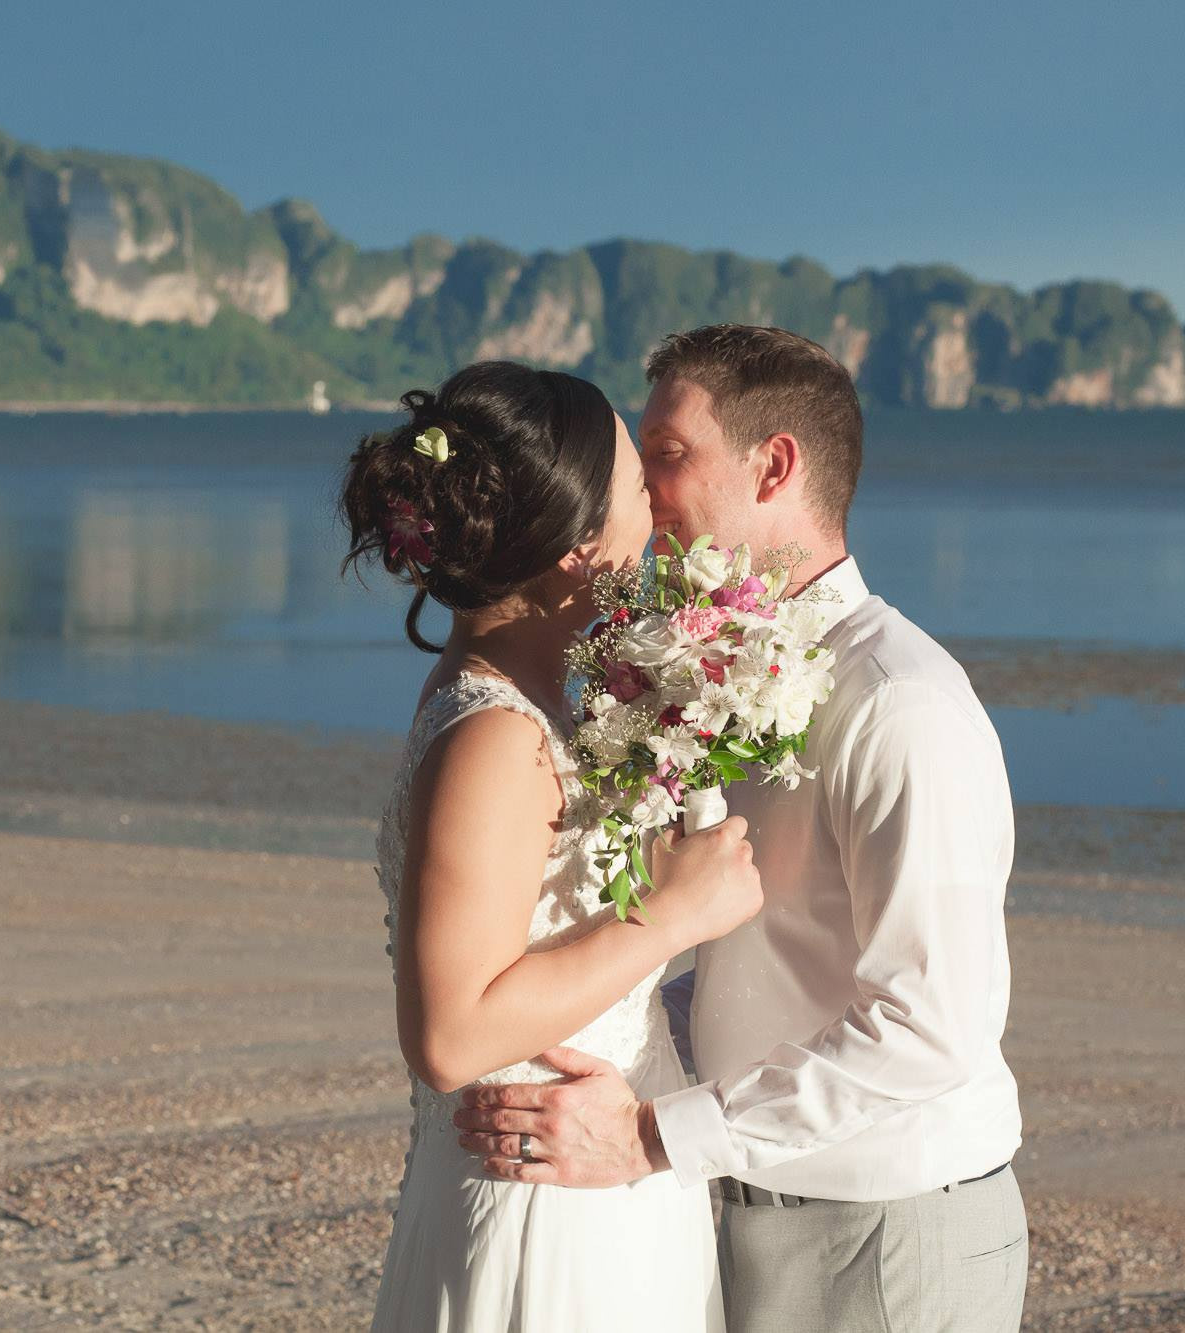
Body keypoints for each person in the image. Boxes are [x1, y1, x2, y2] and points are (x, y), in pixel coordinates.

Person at [454, 327, 1029, 1332]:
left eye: (668, 456)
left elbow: (932, 1027)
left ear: (773, 466)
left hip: (886, 1230)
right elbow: (741, 947)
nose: (643, 495)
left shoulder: (902, 705)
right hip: (739, 1204)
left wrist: (652, 1136)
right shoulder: (695, 667)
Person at [339, 359, 763, 1331]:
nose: (656, 509)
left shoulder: (520, 701)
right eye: (632, 491)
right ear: (578, 550)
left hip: (582, 1175)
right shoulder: (496, 736)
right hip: (542, 1204)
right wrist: (671, 913)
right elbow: (449, 1038)